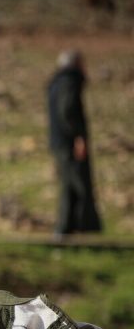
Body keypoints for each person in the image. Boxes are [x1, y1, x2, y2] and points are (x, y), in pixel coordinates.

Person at [47, 49, 102, 237]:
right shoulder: (70, 82)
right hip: (68, 142)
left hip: (59, 142)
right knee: (76, 184)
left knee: (69, 184)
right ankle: (72, 228)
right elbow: (68, 111)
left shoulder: (56, 82)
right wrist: (78, 137)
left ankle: (69, 228)